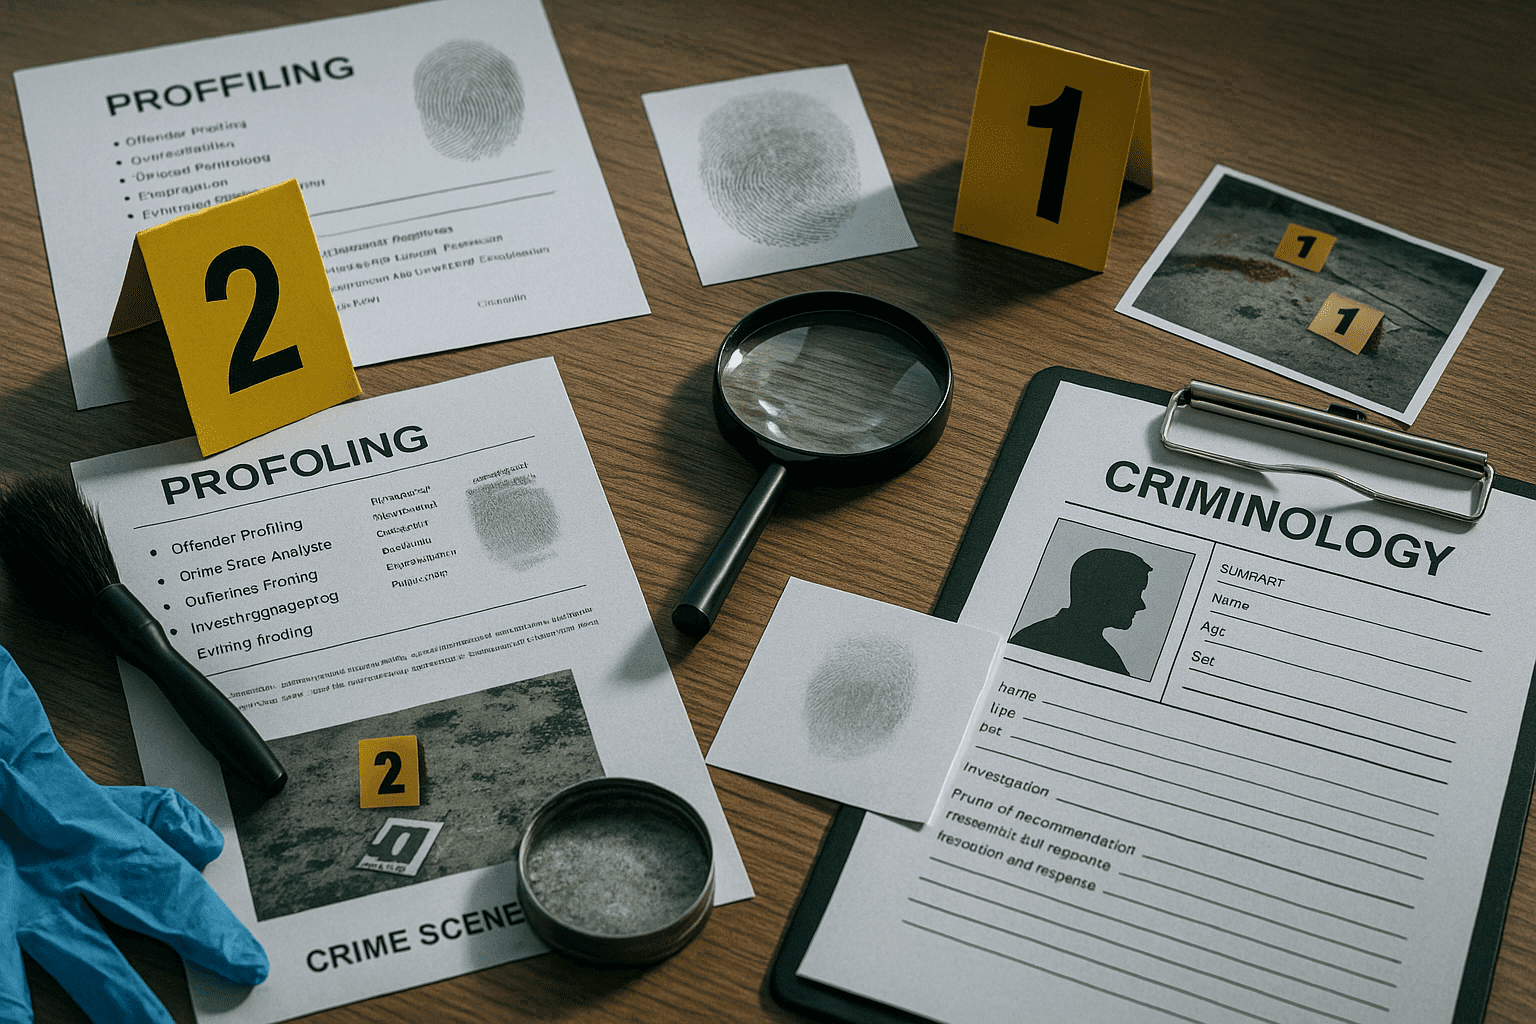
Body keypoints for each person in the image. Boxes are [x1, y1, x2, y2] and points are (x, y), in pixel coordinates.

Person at [1010, 548, 1152, 675]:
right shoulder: (1036, 641)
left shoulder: (1033, 637)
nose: (1140, 605)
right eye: (1134, 593)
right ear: (1103, 592)